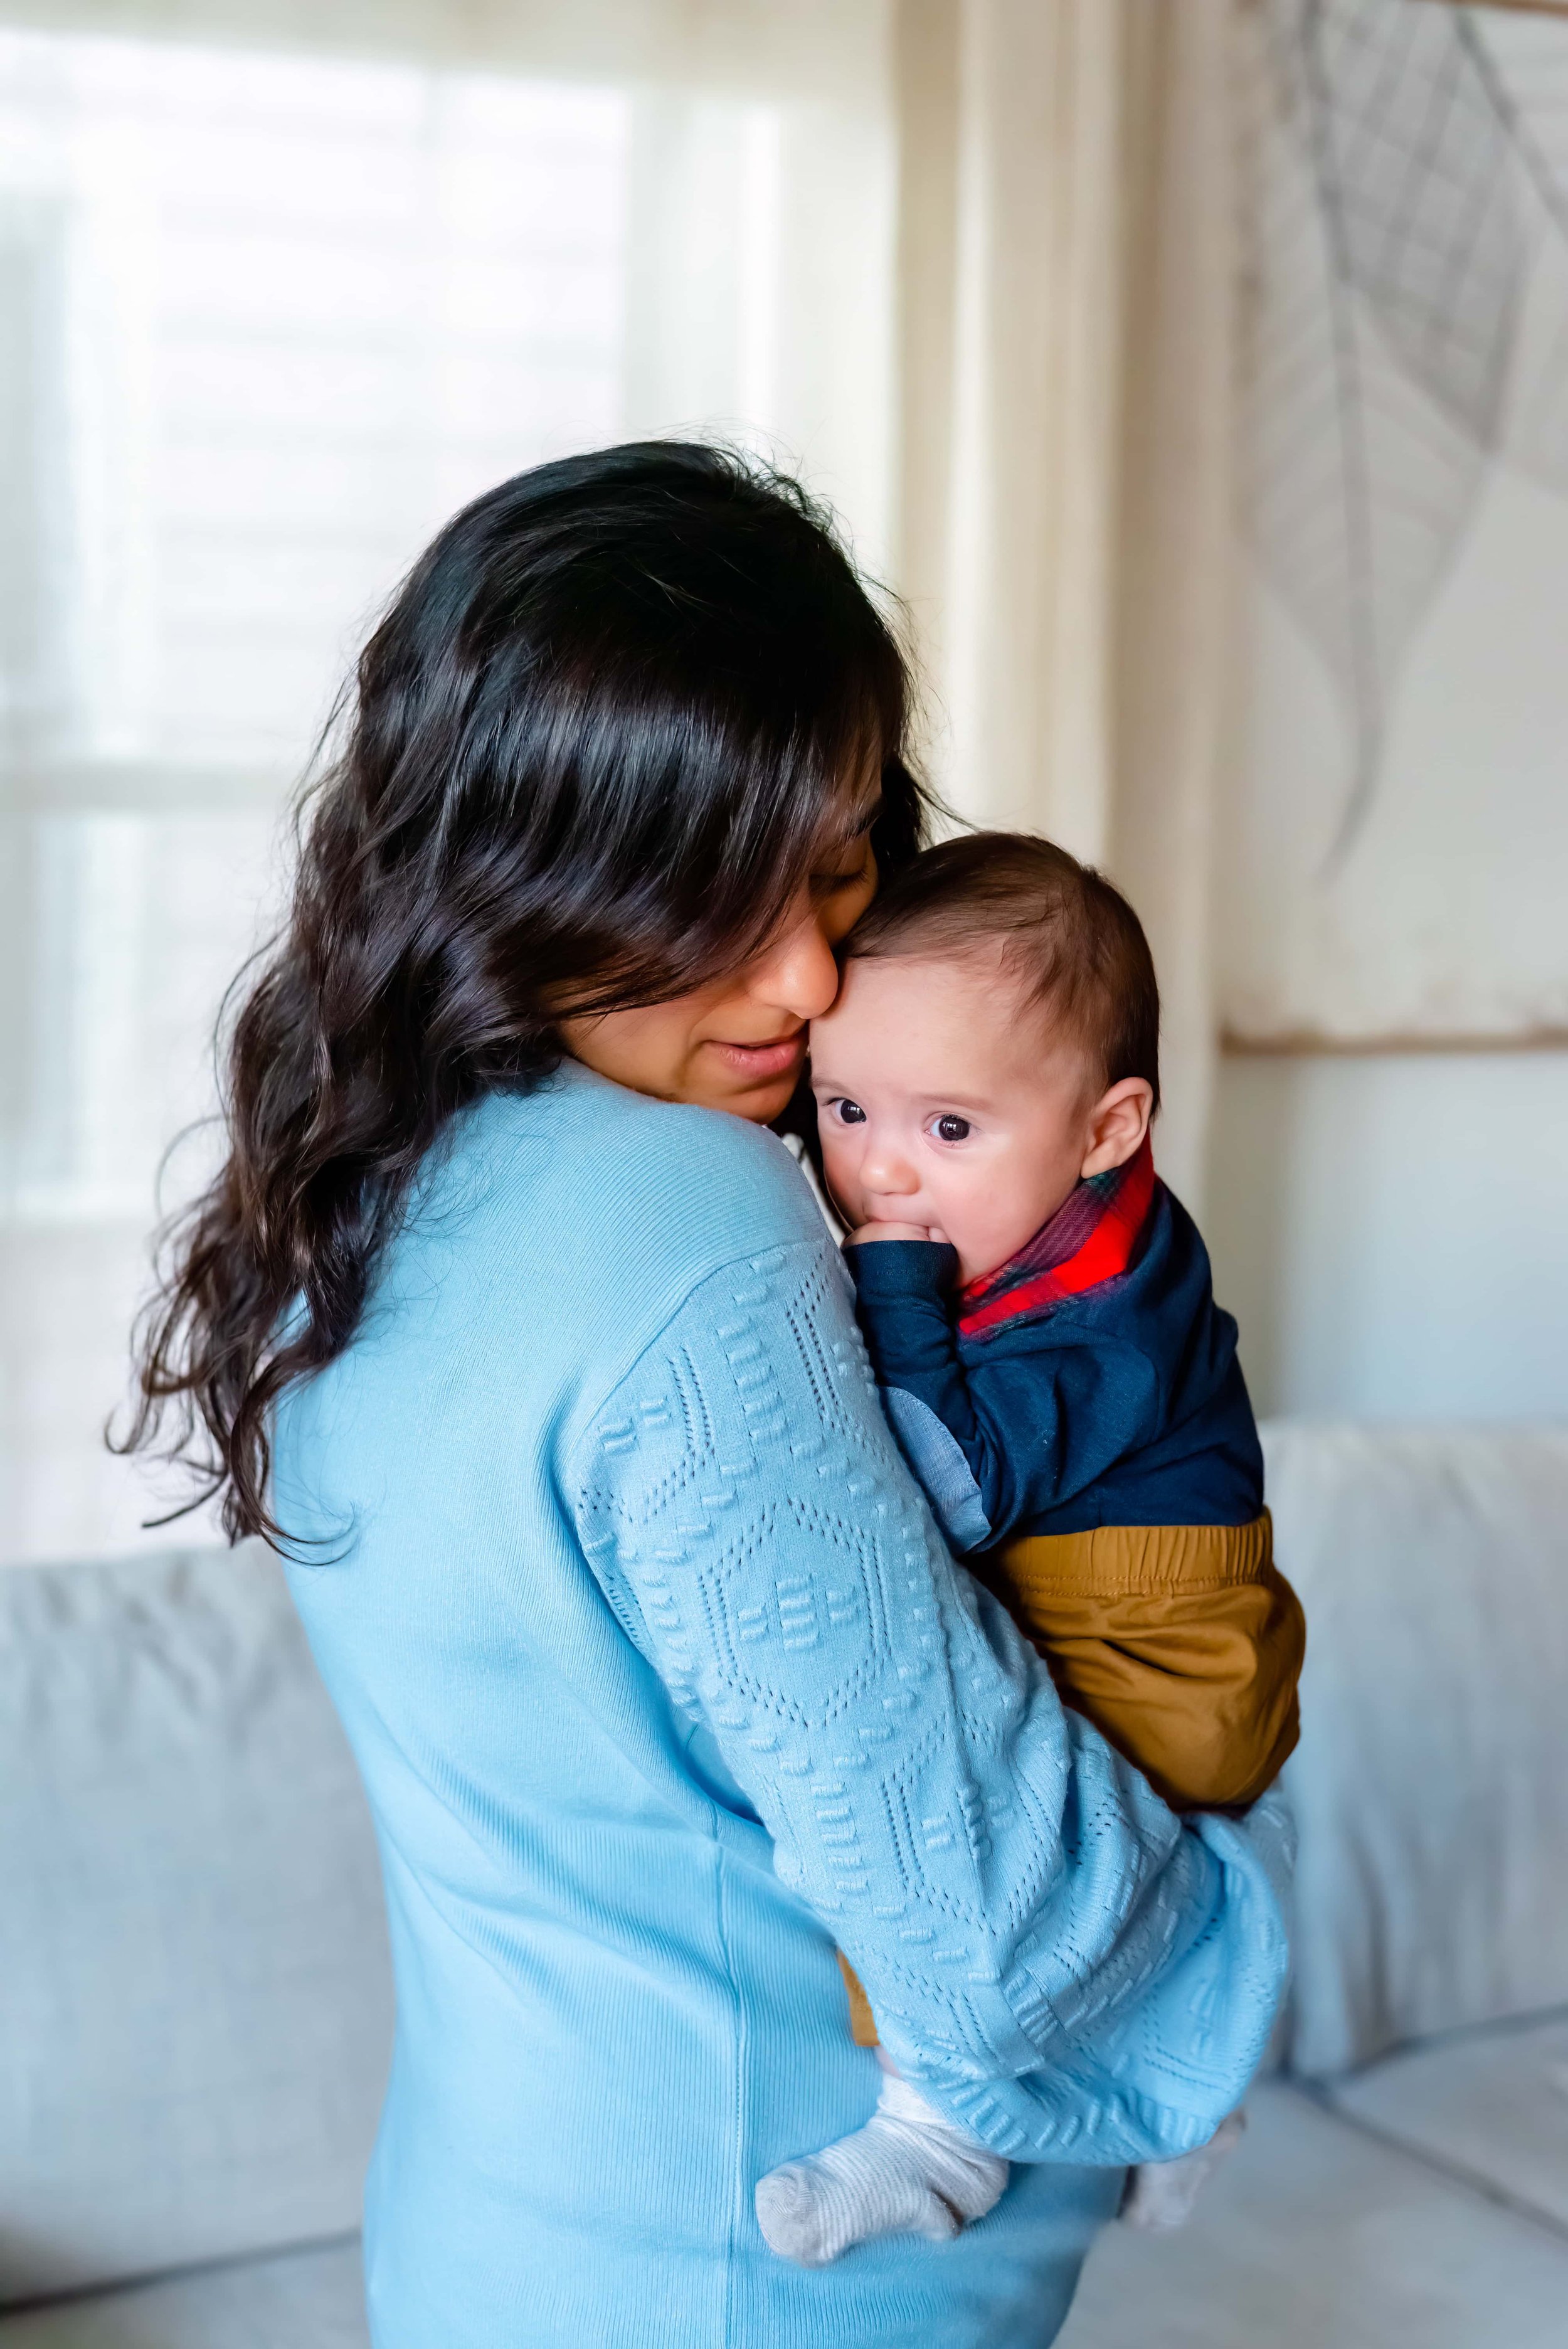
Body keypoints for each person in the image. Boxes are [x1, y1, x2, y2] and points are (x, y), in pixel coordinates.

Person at [122, 444, 1290, 2349]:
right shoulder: (692, 1217)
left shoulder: (374, 1171)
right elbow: (989, 1928)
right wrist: (1241, 1939)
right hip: (762, 2280)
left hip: (501, 2233)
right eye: (711, 903)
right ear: (543, 865)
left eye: (836, 873)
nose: (811, 971)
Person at [753, 832, 1305, 2266]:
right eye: (844, 1105)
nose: (880, 1169)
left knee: (940, 1840)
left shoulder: (1100, 1310)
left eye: (949, 1129)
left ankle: (944, 2137)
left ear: (1106, 1130)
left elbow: (942, 1484)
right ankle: (1177, 2098)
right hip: (1142, 1616)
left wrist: (882, 1283)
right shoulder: (1045, 1219)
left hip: (1158, 1655)